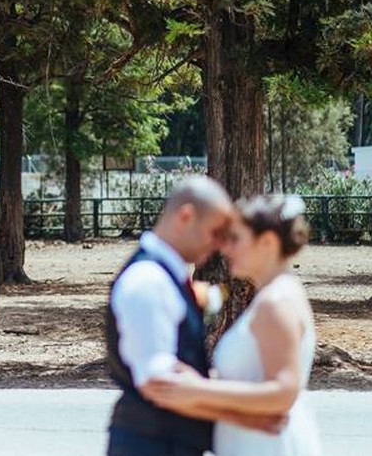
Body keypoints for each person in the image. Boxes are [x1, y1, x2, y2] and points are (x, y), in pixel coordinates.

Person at [106, 176, 281, 456]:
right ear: (186, 216)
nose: (220, 245)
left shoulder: (165, 277)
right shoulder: (148, 281)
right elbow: (158, 382)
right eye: (215, 233)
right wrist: (242, 418)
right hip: (151, 445)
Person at [142, 194, 322, 456]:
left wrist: (199, 390)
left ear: (268, 243)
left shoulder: (276, 302)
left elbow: (284, 392)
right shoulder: (274, 295)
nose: (226, 248)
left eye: (236, 239)